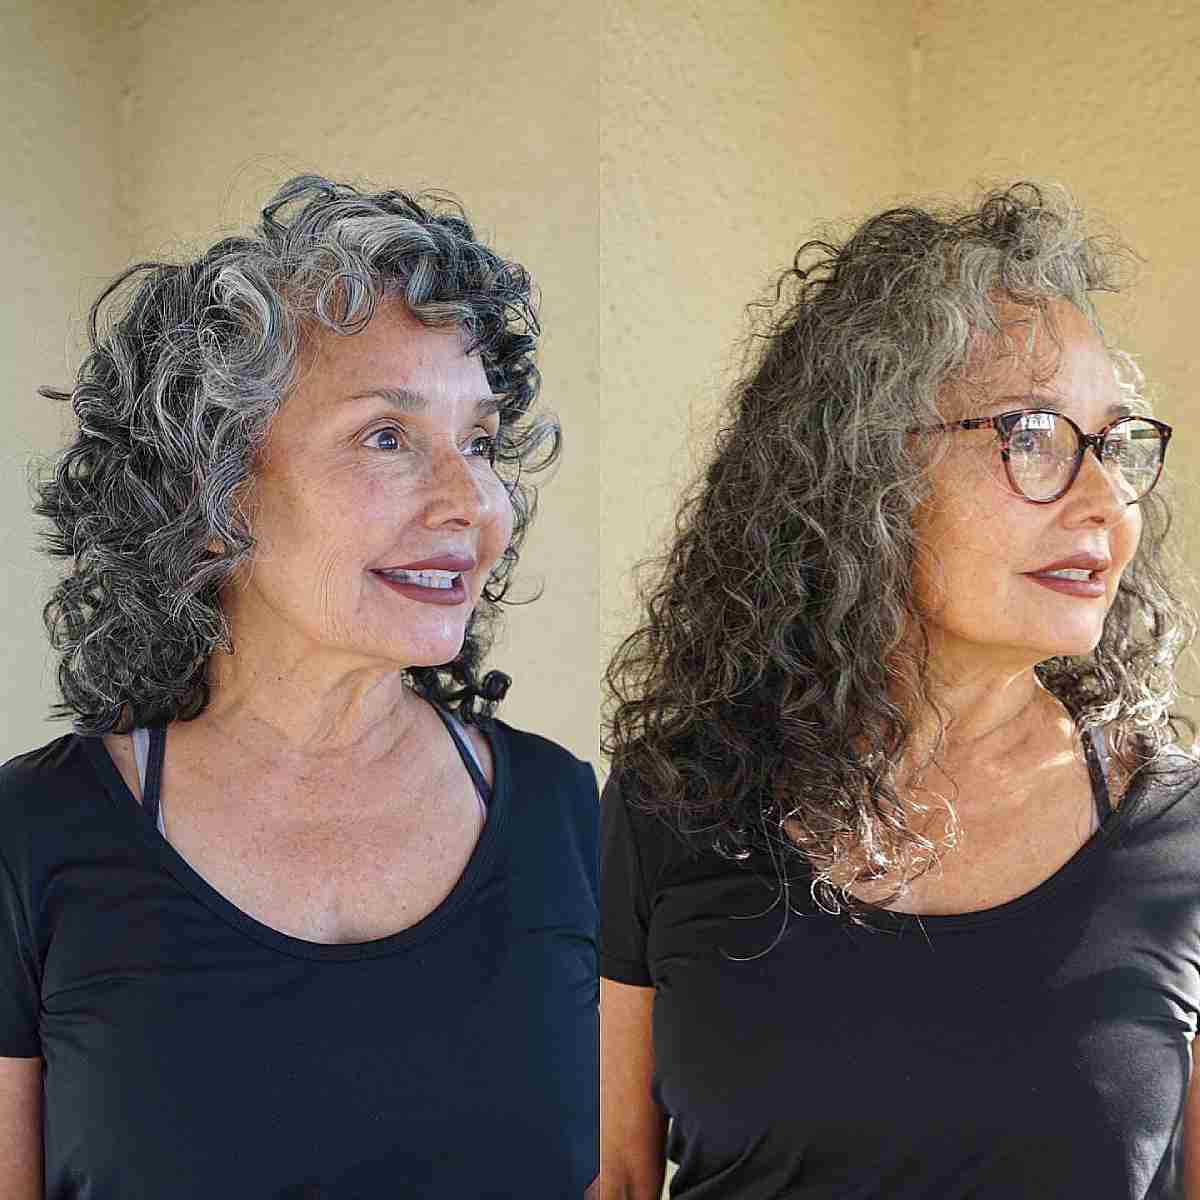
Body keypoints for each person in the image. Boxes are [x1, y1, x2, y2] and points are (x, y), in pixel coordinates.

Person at [0, 174, 598, 1198]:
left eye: (480, 442)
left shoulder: (570, 815)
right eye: (386, 436)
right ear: (214, 491)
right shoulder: (31, 836)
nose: (472, 503)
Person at [600, 183, 1200, 1198]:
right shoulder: (676, 801)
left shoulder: (1182, 834)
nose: (1106, 500)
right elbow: (611, 1177)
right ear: (859, 471)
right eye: (1031, 434)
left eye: (1112, 444)